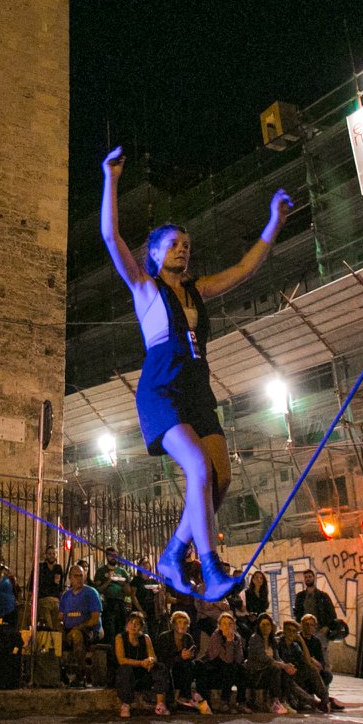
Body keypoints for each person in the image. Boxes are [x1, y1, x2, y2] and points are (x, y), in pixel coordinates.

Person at [100, 146, 291, 598]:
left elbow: (245, 270)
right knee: (199, 470)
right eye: (174, 244)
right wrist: (111, 178)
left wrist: (274, 223)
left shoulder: (198, 290)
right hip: (161, 392)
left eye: (187, 245)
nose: (183, 250)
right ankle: (208, 568)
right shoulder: (144, 288)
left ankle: (171, 555)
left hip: (198, 392)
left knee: (220, 479)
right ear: (156, 252)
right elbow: (111, 238)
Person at [111, 612, 170, 718]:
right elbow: (121, 660)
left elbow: (153, 656)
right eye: (131, 623)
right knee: (125, 669)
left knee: (159, 667)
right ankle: (125, 705)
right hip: (128, 674)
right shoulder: (120, 637)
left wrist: (150, 661)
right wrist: (141, 663)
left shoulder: (145, 638)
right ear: (127, 624)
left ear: (141, 627)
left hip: (143, 673)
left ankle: (160, 704)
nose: (134, 626)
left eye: (137, 624)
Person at [57, 564, 103, 686]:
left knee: (77, 636)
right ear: (70, 578)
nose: (79, 578)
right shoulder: (66, 596)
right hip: (69, 628)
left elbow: (94, 618)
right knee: (54, 637)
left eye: (81, 576)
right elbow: (60, 617)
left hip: (89, 630)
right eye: (76, 576)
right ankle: (59, 673)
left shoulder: (91, 593)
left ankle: (80, 674)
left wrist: (77, 628)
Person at [245, 612, 293, 714]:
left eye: (268, 624)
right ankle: (275, 702)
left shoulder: (273, 641)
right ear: (258, 626)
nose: (265, 627)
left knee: (286, 671)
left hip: (268, 672)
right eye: (263, 624)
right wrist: (283, 665)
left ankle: (284, 701)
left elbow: (277, 658)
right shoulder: (255, 639)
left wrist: (287, 665)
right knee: (275, 669)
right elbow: (264, 658)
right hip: (256, 674)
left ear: (272, 626)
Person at [199, 610, 247, 711]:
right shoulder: (216, 636)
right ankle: (224, 701)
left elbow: (239, 658)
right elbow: (226, 659)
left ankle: (241, 702)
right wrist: (229, 642)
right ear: (219, 626)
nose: (227, 626)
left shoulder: (237, 637)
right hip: (214, 666)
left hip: (230, 667)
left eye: (230, 624)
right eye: (224, 623)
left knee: (242, 669)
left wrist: (232, 641)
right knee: (230, 667)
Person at [161, 609, 205, 711]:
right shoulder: (165, 637)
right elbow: (163, 659)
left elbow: (192, 657)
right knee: (187, 665)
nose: (182, 625)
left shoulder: (188, 638)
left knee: (199, 664)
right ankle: (184, 697)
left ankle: (200, 696)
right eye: (179, 622)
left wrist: (190, 655)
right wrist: (180, 657)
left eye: (185, 623)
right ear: (173, 624)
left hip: (184, 668)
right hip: (169, 669)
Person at [298, 614, 344, 707]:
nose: (309, 627)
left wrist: (319, 665)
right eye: (306, 624)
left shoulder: (316, 641)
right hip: (302, 667)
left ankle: (325, 700)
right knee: (311, 673)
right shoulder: (298, 638)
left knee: (327, 675)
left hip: (313, 667)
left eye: (312, 625)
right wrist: (311, 661)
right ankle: (326, 701)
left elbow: (321, 659)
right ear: (302, 625)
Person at [294, 570, 344, 637]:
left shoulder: (322, 596)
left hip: (319, 630)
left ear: (314, 578)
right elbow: (297, 613)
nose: (307, 579)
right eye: (306, 577)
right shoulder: (300, 596)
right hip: (304, 631)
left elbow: (332, 613)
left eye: (309, 576)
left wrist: (327, 627)